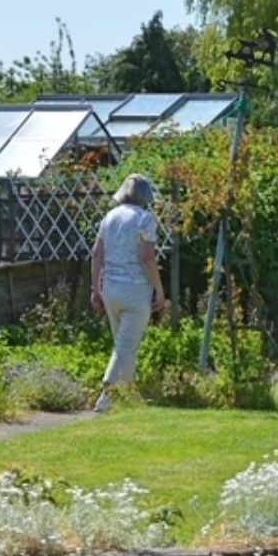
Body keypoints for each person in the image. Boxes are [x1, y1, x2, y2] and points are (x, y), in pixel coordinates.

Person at [90, 173, 170, 413]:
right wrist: (159, 290)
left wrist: (95, 289)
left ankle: (129, 395)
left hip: (110, 289)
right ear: (146, 196)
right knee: (125, 346)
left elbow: (97, 254)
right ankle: (107, 393)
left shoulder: (110, 217)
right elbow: (147, 258)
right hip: (135, 290)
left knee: (124, 345)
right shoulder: (145, 219)